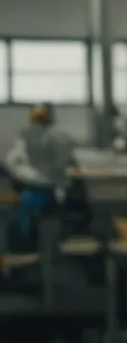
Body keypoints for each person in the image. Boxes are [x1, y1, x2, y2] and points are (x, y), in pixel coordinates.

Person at [5, 104, 76, 248]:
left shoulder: (26, 137)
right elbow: (68, 162)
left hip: (36, 187)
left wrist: (25, 175)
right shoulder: (60, 137)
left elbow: (11, 161)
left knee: (29, 210)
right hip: (51, 189)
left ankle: (30, 240)